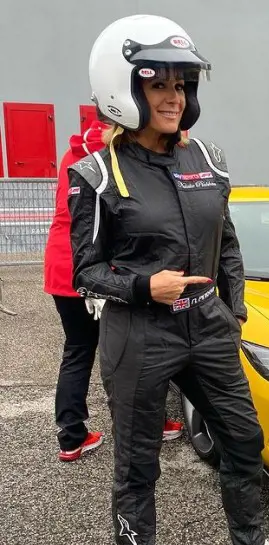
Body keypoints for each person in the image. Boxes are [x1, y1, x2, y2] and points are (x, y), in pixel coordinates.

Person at [69, 15, 269, 545]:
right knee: (137, 466)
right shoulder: (97, 173)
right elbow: (85, 270)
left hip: (207, 328)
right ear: (126, 90)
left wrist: (234, 310)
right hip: (138, 334)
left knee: (244, 438)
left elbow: (225, 239)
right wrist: (144, 286)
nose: (174, 96)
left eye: (182, 83)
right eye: (158, 84)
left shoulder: (208, 157)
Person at [43, 111, 184, 463]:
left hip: (62, 266)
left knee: (77, 351)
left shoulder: (73, 153)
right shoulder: (120, 155)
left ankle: (71, 436)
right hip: (106, 268)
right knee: (133, 351)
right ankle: (153, 424)